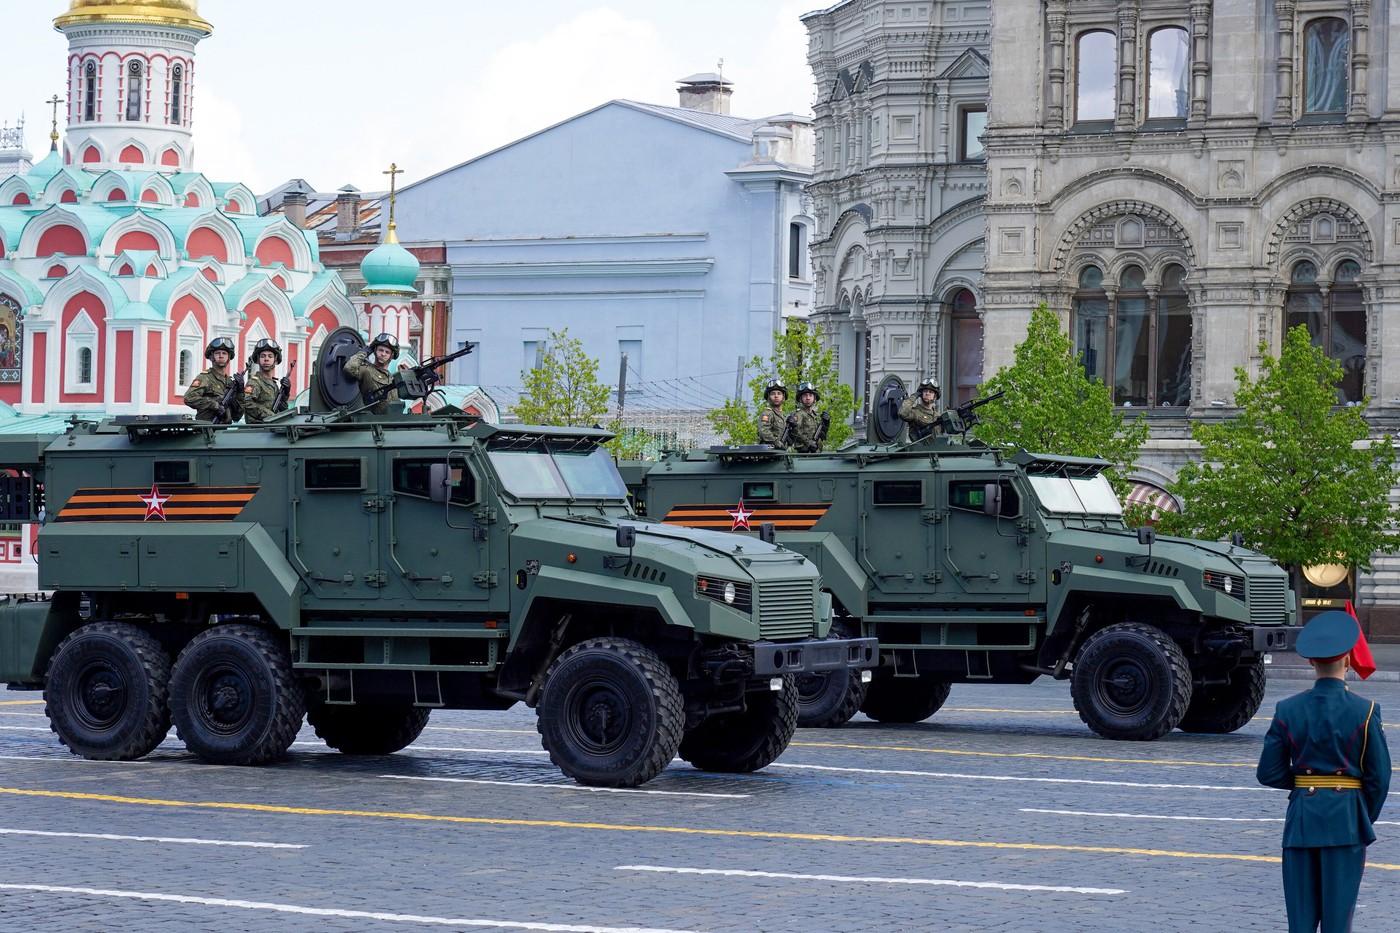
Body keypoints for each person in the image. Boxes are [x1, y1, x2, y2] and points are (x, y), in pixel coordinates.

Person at [1257, 610, 1391, 933]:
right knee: (1337, 924)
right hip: (1345, 822)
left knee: (1300, 925)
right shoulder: (1366, 710)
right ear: (1347, 660)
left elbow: (1268, 772)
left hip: (1302, 822)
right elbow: (1379, 778)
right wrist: (1359, 815)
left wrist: (1305, 786)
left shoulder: (1287, 709)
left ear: (1310, 663)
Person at [344, 333, 407, 415]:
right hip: (376, 421)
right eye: (380, 350)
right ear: (374, 351)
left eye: (387, 352)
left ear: (391, 356)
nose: (383, 354)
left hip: (395, 421)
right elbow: (349, 368)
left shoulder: (392, 378)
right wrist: (363, 353)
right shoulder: (366, 370)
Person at [183, 336, 241, 423]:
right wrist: (215, 405)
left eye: (224, 353)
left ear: (229, 357)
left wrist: (240, 392)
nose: (221, 356)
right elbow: (189, 398)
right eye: (217, 353)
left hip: (223, 431)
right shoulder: (205, 377)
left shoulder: (230, 383)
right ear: (211, 357)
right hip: (206, 429)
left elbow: (237, 416)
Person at [242, 338, 289, 424]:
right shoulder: (254, 382)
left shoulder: (274, 384)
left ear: (275, 360)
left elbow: (282, 408)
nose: (266, 359)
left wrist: (285, 394)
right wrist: (271, 416)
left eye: (270, 356)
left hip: (271, 430)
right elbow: (247, 403)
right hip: (257, 430)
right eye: (263, 356)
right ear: (258, 359)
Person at [785, 381, 830, 453]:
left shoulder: (816, 416)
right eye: (805, 395)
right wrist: (808, 443)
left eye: (810, 395)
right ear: (800, 399)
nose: (808, 398)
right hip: (803, 453)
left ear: (814, 398)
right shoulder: (798, 415)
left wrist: (826, 424)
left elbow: (822, 435)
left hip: (817, 452)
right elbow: (794, 432)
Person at [756, 380, 788, 447]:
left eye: (779, 393)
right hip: (769, 451)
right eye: (773, 394)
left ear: (783, 397)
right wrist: (776, 442)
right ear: (768, 397)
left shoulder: (784, 416)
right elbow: (764, 431)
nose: (776, 396)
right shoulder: (767, 413)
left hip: (780, 452)